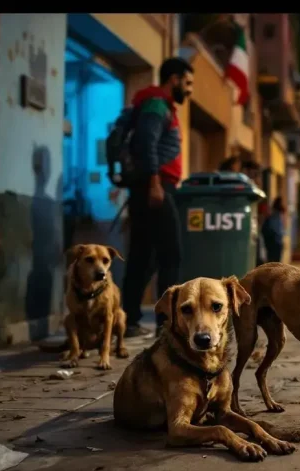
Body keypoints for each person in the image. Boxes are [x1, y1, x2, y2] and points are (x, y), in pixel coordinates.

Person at [122, 57, 194, 338]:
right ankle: (167, 325)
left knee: (144, 256)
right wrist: (154, 182)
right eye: (187, 83)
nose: (189, 90)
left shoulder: (159, 104)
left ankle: (127, 320)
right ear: (173, 79)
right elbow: (145, 142)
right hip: (156, 186)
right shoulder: (156, 103)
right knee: (171, 254)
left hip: (153, 186)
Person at [262, 197, 285, 263]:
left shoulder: (272, 216)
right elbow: (276, 229)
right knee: (275, 261)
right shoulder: (276, 216)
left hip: (273, 241)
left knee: (272, 260)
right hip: (275, 241)